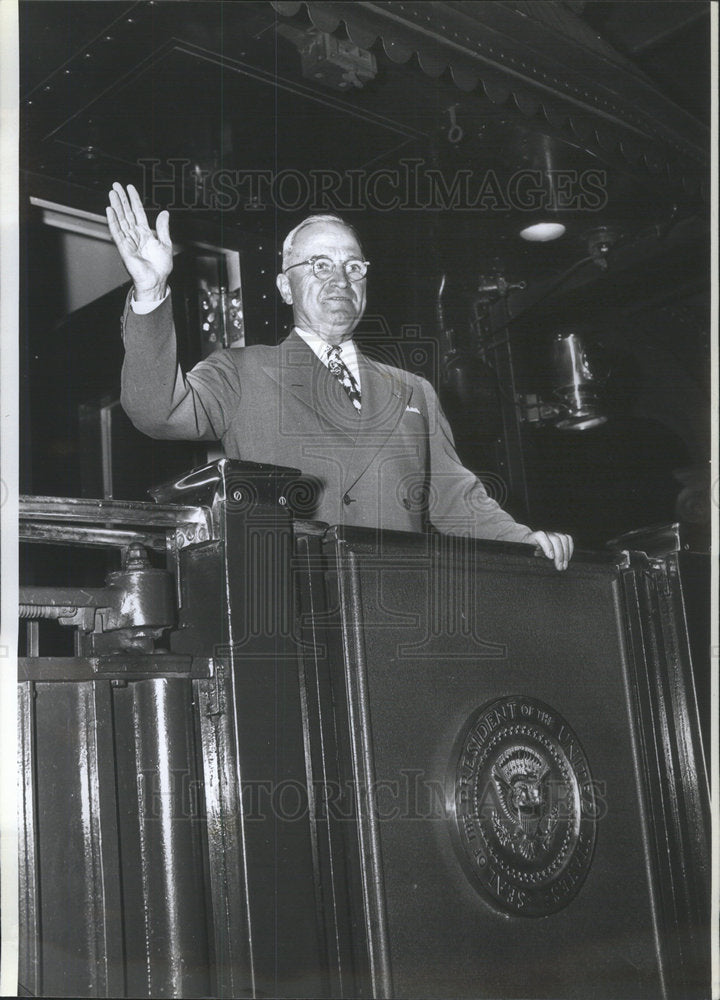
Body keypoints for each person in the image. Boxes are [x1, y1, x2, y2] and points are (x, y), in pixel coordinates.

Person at [108, 182, 573, 569]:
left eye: (353, 267)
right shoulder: (241, 370)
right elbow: (157, 411)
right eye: (319, 266)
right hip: (296, 611)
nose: (340, 280)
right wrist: (151, 291)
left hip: (393, 601)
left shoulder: (414, 391)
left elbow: (456, 500)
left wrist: (527, 540)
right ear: (285, 286)